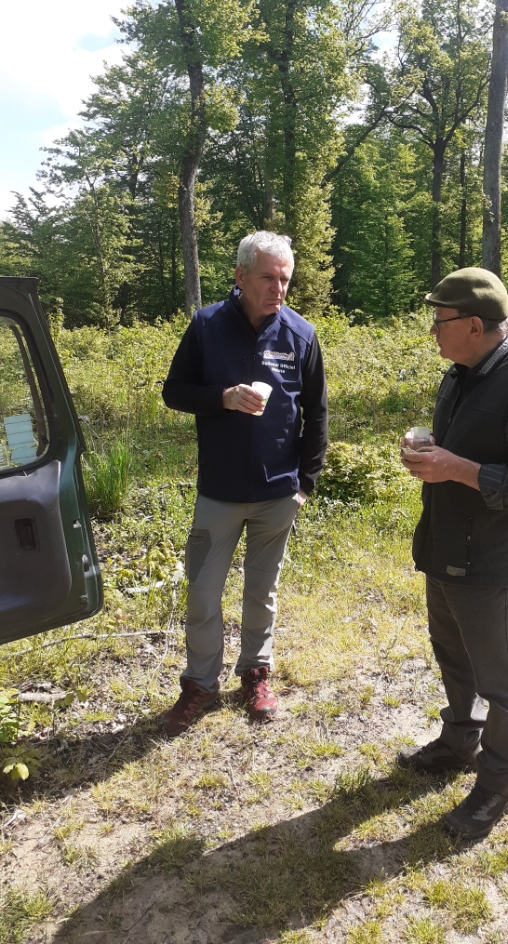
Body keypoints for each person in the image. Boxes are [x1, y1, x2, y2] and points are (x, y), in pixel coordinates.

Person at [398, 267, 508, 839]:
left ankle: (495, 786)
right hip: (444, 548)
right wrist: (429, 453)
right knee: (452, 655)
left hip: (490, 561)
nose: (433, 330)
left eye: (439, 320)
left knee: (499, 679)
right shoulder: (458, 375)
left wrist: (455, 468)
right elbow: (459, 456)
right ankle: (458, 741)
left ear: (473, 324)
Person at [160, 231, 328, 736]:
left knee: (262, 592)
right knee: (203, 594)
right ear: (240, 277)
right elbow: (174, 391)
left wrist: (306, 483)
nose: (278, 288)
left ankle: (256, 673)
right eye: (268, 278)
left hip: (278, 493)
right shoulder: (207, 326)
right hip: (219, 493)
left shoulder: (301, 334)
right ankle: (199, 685)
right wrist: (223, 398)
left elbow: (316, 414)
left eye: (285, 279)